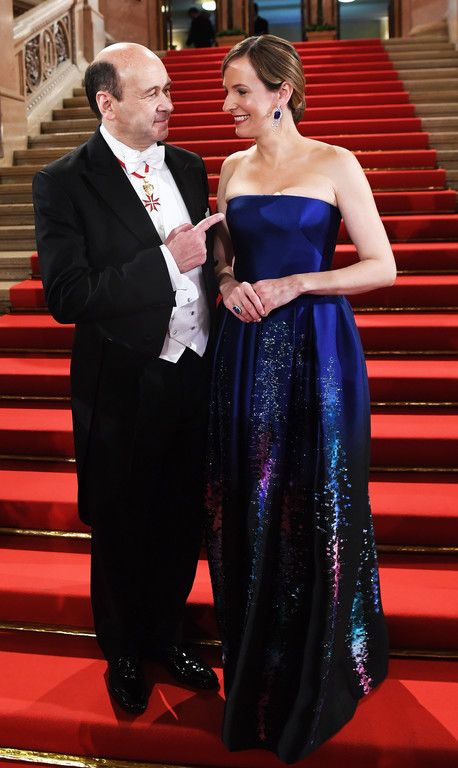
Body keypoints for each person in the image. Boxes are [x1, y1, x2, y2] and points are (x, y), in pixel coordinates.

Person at [206, 34, 396, 762]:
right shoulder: (231, 168)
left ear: (281, 92)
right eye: (227, 92)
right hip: (247, 351)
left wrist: (299, 283)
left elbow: (382, 265)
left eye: (241, 91)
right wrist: (228, 284)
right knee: (252, 500)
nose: (229, 105)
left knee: (319, 495)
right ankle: (258, 669)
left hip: (320, 350)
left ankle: (325, 667)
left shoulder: (336, 162)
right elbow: (225, 256)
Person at [33, 42, 223, 715]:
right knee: (121, 526)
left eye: (168, 90)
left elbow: (212, 265)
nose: (168, 103)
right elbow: (68, 296)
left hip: (195, 372)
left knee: (179, 518)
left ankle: (167, 636)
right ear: (107, 102)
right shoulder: (62, 181)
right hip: (123, 383)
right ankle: (122, 653)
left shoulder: (192, 167)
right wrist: (167, 262)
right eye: (153, 93)